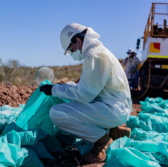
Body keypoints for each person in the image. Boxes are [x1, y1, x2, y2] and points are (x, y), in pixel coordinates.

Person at [39, 23, 132, 163]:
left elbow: (85, 94)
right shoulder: (98, 52)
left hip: (113, 110)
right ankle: (114, 130)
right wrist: (65, 86)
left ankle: (101, 141)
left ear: (78, 41)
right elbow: (89, 86)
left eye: (71, 49)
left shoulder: (95, 56)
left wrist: (54, 90)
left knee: (56, 113)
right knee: (70, 103)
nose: (72, 52)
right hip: (113, 107)